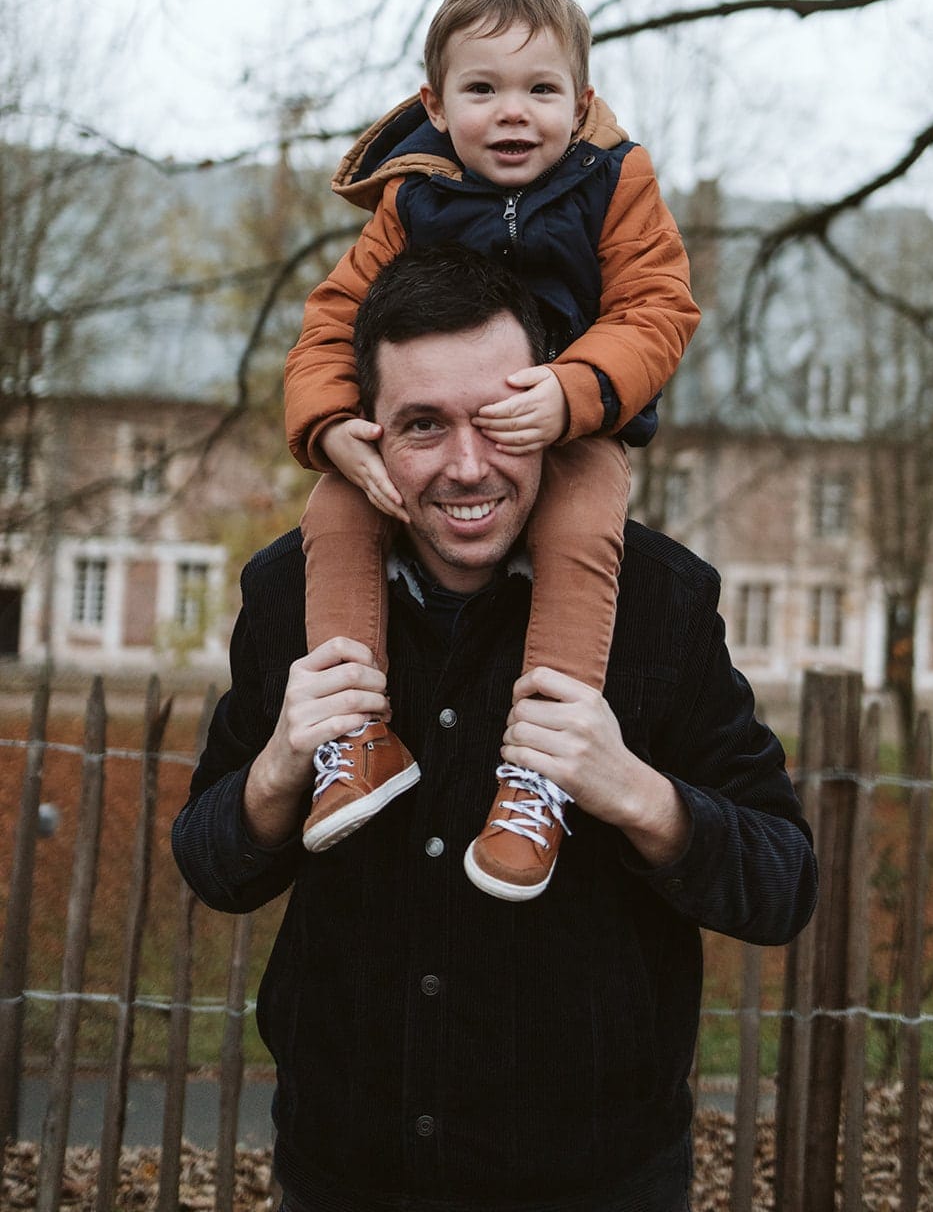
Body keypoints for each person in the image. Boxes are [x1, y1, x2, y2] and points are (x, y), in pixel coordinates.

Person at [172, 245, 817, 1212]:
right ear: (366, 434)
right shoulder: (288, 594)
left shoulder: (659, 605)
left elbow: (782, 885)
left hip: (592, 1181)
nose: (466, 466)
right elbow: (212, 868)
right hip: (345, 1172)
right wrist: (275, 772)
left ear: (555, 420)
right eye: (422, 425)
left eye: (500, 420)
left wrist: (638, 795)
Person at [283, 0, 701, 896]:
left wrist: (576, 388)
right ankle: (355, 740)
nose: (514, 114)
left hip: (573, 426)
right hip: (433, 426)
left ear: (580, 99)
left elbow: (656, 308)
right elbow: (333, 318)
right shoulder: (414, 196)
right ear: (435, 102)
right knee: (336, 507)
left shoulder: (612, 182)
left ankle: (540, 775)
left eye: (541, 90)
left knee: (583, 527)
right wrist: (331, 427)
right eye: (483, 89)